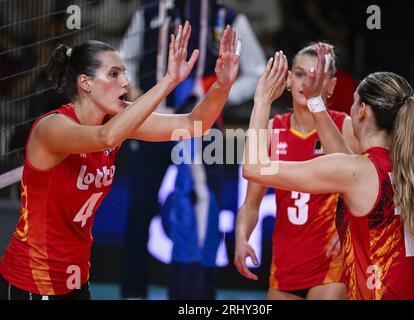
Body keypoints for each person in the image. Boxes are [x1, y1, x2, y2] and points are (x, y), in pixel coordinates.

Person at [0, 21, 240, 300]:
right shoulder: (52, 128)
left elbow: (194, 123)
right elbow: (106, 137)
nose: (125, 83)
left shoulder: (116, 120)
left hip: (76, 278)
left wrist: (223, 85)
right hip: (33, 280)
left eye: (124, 73)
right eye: (114, 74)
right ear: (85, 83)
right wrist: (168, 81)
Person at [243, 47, 414, 300]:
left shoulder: (355, 171)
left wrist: (263, 100)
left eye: (354, 101)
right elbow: (346, 160)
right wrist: (315, 102)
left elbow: (253, 168)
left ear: (362, 111)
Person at [119, 0, 266, 300]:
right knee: (140, 209)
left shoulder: (228, 18)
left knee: (206, 206)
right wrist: (138, 99)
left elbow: (256, 71)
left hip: (202, 126)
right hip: (151, 122)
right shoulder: (148, 15)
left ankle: (202, 294)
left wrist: (216, 93)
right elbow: (123, 65)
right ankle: (134, 292)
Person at [234, 43, 358, 300]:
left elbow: (363, 189)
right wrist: (241, 238)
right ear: (288, 79)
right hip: (286, 265)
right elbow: (251, 204)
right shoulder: (271, 129)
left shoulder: (344, 126)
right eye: (300, 74)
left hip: (331, 262)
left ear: (331, 86)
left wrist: (350, 230)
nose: (306, 83)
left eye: (316, 77)